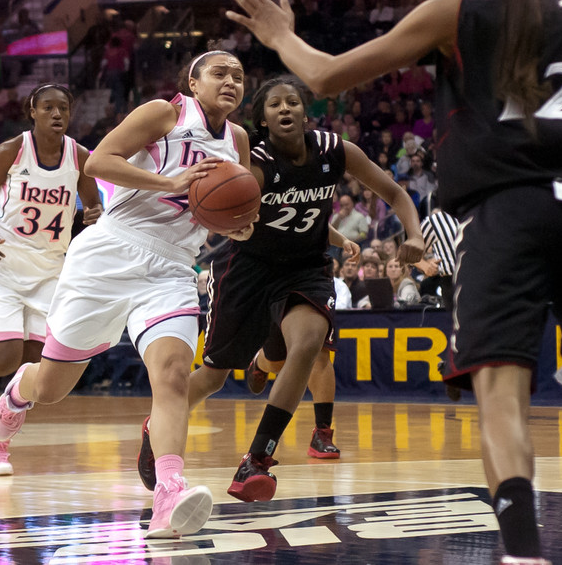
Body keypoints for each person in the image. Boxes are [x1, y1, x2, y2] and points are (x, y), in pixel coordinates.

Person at [227, 0, 562, 564]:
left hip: (510, 212)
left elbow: (325, 74)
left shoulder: (459, 9)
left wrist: (277, 36)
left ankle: (523, 553)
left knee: (501, 391)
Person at [0, 50, 252, 539]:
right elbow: (99, 164)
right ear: (193, 83)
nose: (231, 81)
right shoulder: (164, 113)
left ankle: (169, 490)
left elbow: (233, 205)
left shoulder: (238, 140)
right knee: (52, 388)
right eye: (219, 73)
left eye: (238, 75)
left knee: (173, 375)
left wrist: (237, 225)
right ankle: (18, 392)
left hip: (172, 266)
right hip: (111, 252)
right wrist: (166, 181)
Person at [172, 75, 423, 502]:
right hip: (249, 267)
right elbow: (225, 211)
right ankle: (159, 423)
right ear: (263, 119)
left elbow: (395, 192)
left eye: (292, 102)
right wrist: (234, 219)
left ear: (306, 112)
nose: (285, 109)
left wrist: (413, 235)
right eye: (274, 105)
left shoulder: (335, 150)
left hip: (305, 268)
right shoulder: (253, 162)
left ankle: (257, 460)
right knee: (214, 376)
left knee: (309, 345)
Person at [0, 84, 102, 474]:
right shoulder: (12, 150)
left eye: (63, 108)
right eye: (48, 107)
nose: (56, 114)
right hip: (3, 261)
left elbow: (95, 204)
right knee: (5, 355)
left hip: (50, 269)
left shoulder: (80, 156)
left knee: (35, 368)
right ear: (32, 111)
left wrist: (94, 215)